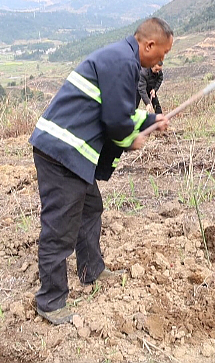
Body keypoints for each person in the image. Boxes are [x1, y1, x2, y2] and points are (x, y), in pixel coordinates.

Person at [28, 17, 173, 325]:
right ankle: (50, 301)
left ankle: (91, 269)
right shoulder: (123, 62)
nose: (160, 62)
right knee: (59, 227)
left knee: (91, 206)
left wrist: (151, 122)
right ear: (148, 45)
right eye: (160, 55)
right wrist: (131, 141)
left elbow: (120, 112)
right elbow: (116, 124)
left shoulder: (121, 59)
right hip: (62, 152)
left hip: (70, 152)